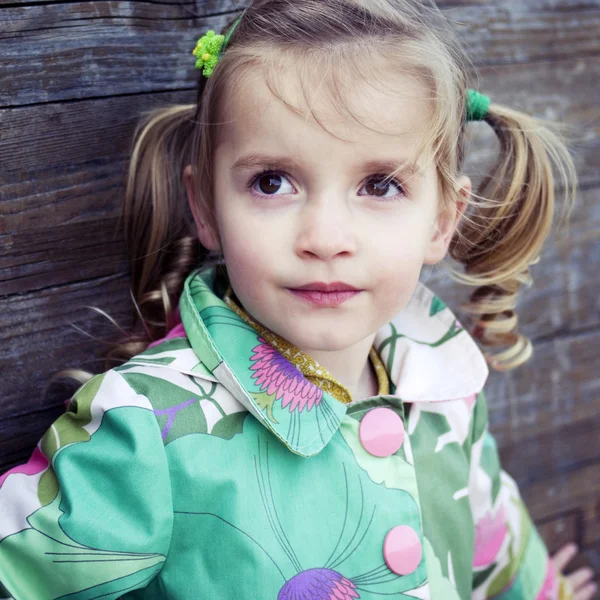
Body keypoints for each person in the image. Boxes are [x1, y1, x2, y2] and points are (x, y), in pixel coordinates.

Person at [0, 0, 596, 598]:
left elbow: (492, 550)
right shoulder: (145, 428)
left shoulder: (444, 388)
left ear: (442, 220)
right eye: (272, 182)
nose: (326, 239)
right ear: (205, 205)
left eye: (380, 185)